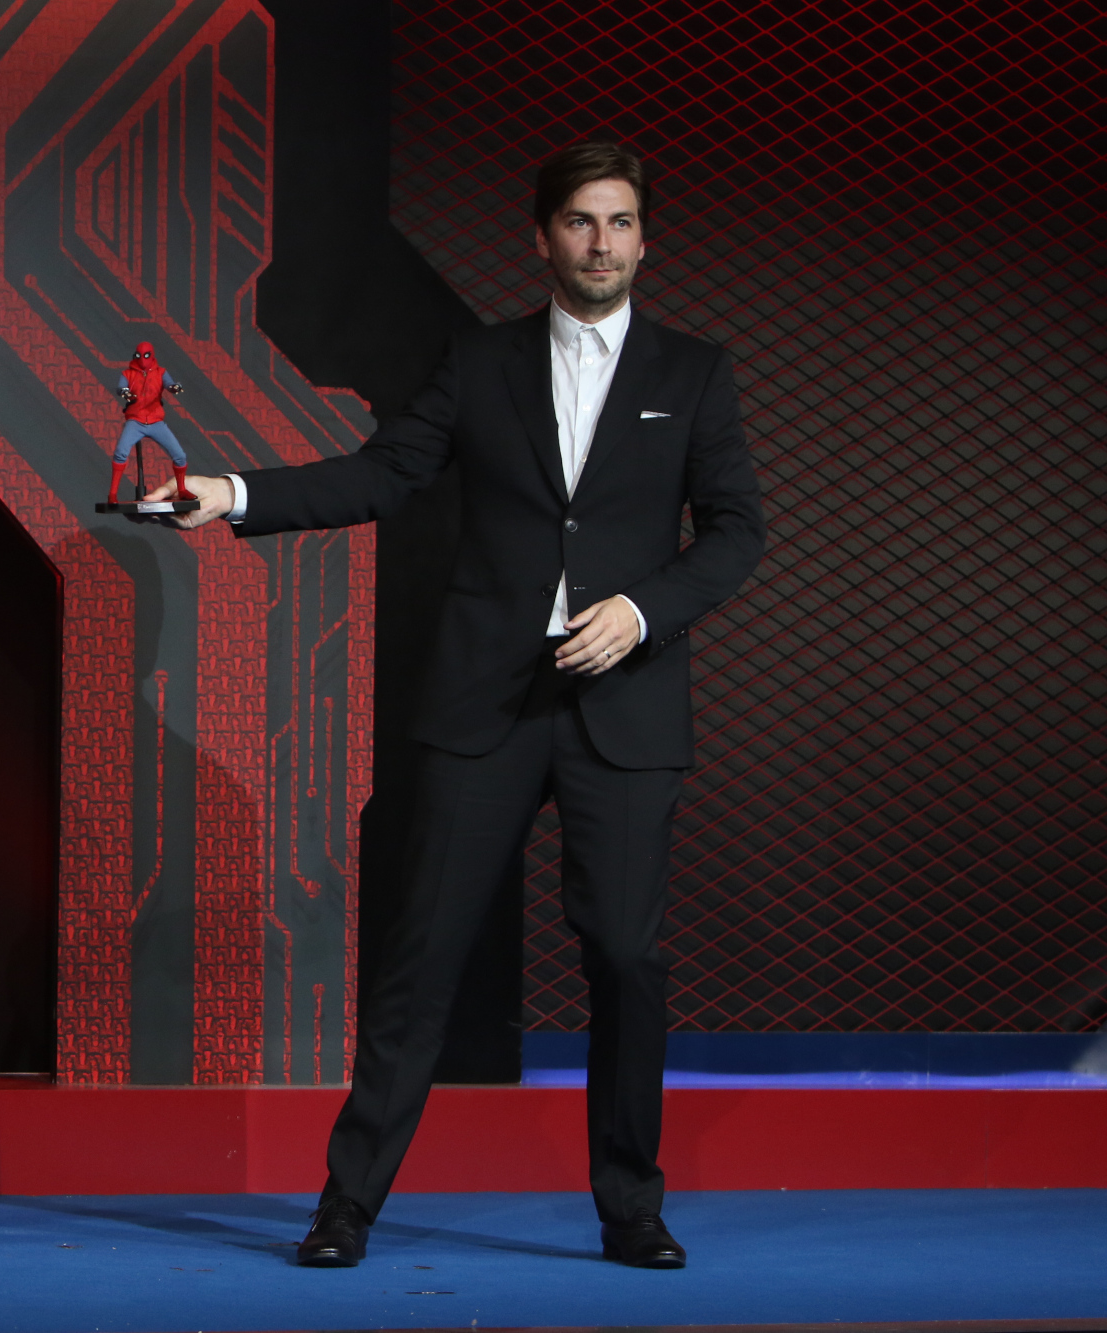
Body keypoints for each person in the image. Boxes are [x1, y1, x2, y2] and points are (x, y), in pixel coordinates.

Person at [152, 144, 764, 1270]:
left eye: (620, 222)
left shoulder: (693, 372)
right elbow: (383, 472)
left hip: (625, 707)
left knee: (626, 958)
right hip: (486, 700)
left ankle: (630, 1205)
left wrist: (642, 611)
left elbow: (734, 531)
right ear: (543, 237)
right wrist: (232, 492)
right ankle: (346, 1205)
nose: (600, 243)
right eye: (579, 222)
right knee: (421, 955)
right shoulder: (480, 361)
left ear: (643, 239)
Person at [107, 341, 189, 503]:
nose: (143, 360)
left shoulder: (161, 372)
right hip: (136, 421)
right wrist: (125, 392)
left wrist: (174, 387)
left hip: (155, 421)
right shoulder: (127, 374)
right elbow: (120, 388)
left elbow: (169, 384)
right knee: (120, 453)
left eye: (146, 356)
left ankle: (182, 489)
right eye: (139, 356)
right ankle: (113, 494)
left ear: (152, 356)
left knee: (180, 456)